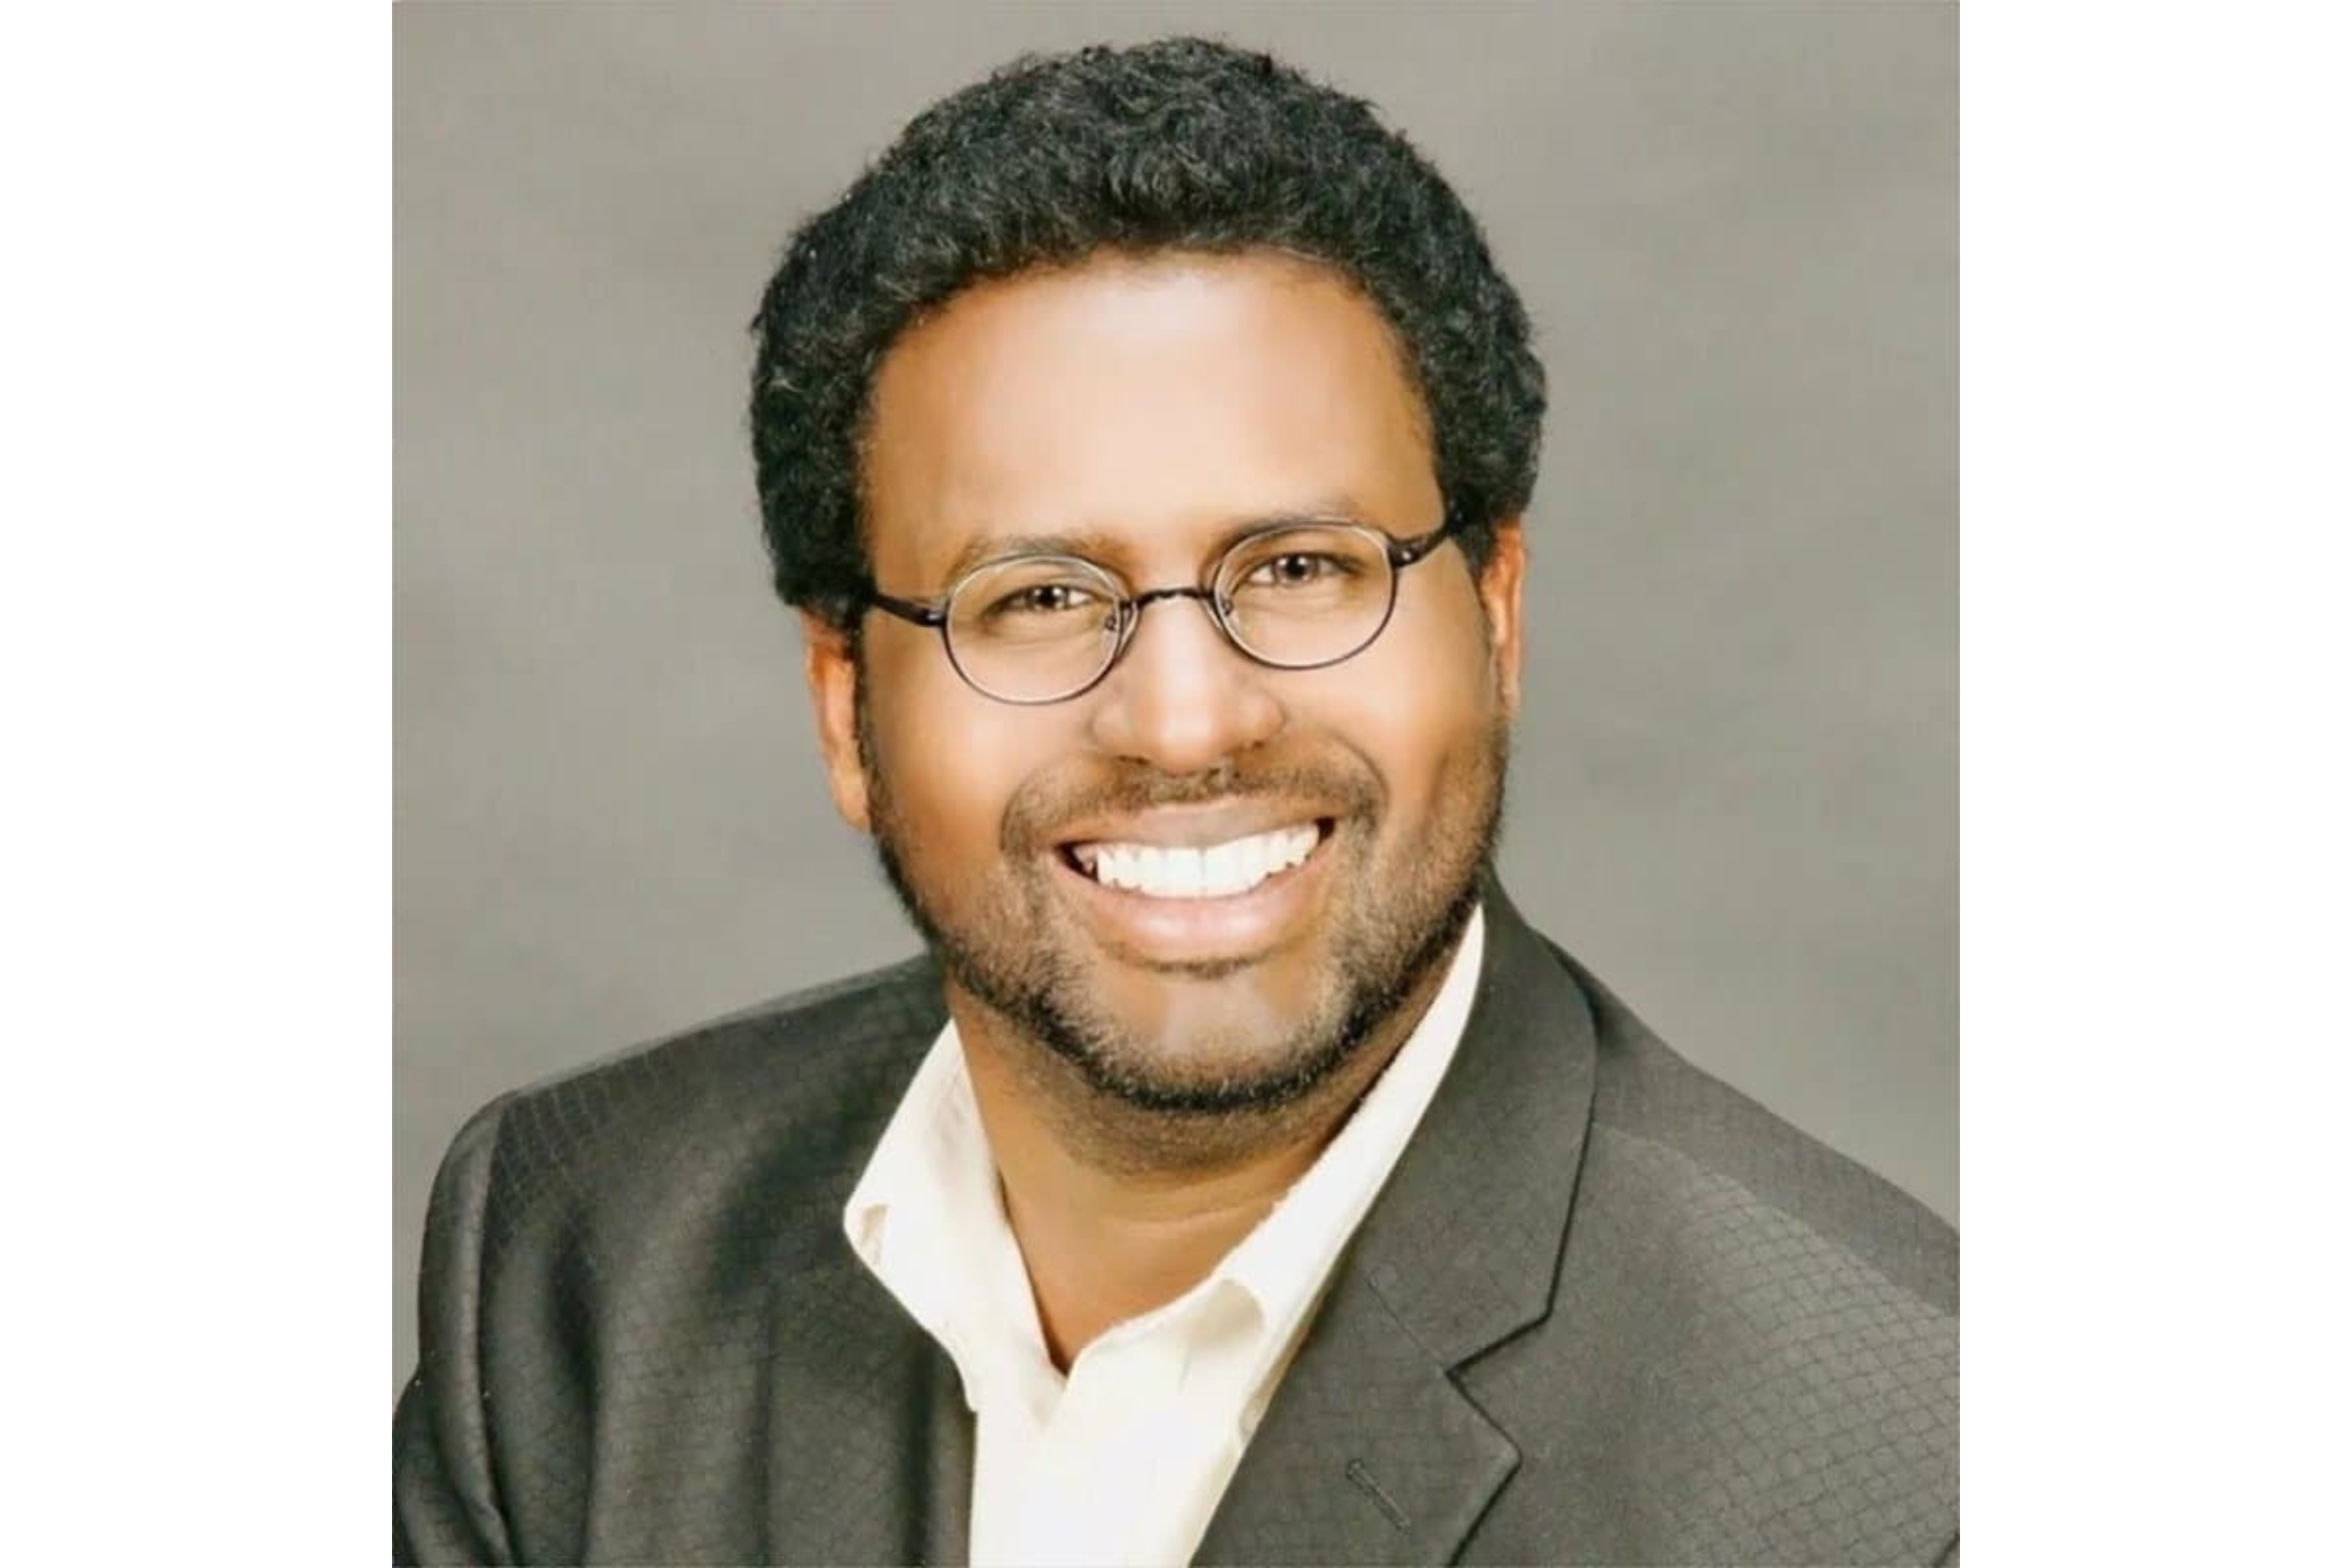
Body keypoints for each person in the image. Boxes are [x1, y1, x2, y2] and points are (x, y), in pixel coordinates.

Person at [394, 36, 1956, 1567]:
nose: (1186, 718)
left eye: (1298, 570)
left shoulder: (1911, 1477)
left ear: (1495, 621)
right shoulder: (580, 1260)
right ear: (842, 706)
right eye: (1041, 595)